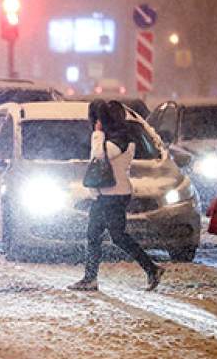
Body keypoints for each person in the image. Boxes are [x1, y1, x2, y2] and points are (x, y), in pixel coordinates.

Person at [70, 100, 163, 292]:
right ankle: (92, 278)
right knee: (99, 235)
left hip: (114, 195)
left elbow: (99, 156)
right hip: (108, 195)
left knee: (114, 236)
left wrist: (97, 133)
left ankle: (151, 268)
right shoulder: (118, 137)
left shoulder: (119, 139)